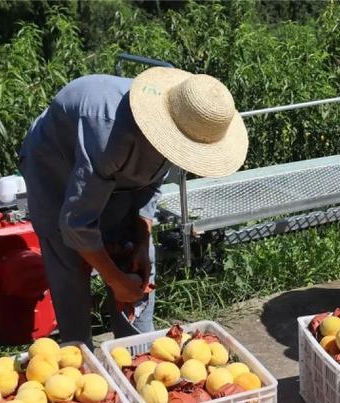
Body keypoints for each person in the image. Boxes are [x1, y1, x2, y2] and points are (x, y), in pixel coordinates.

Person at [19, 67, 249, 346]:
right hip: (54, 168)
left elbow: (150, 186)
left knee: (136, 261)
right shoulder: (107, 132)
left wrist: (141, 240)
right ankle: (77, 356)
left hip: (113, 173)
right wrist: (115, 279)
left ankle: (137, 356)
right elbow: (75, 224)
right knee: (69, 263)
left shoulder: (179, 127)